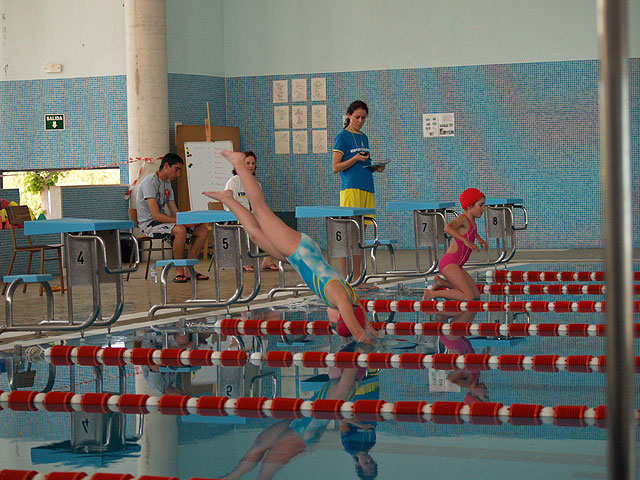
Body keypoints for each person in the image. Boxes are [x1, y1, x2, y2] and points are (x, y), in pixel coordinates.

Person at [203, 150, 378, 344]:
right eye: (335, 324)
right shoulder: (340, 299)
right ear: (341, 316)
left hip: (300, 256)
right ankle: (239, 164)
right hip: (299, 250)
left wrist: (374, 334)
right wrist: (372, 346)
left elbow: (364, 324)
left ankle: (228, 199)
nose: (331, 324)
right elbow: (359, 333)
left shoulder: (351, 298)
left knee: (255, 234)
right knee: (260, 210)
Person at [221, 344, 370, 480]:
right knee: (259, 445)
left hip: (305, 432)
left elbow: (351, 368)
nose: (330, 366)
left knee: (267, 467)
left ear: (344, 370)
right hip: (299, 422)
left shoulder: (342, 389)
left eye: (334, 364)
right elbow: (337, 412)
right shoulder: (337, 386)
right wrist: (359, 424)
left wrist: (358, 351)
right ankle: (230, 478)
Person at [136, 152, 209, 283]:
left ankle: (189, 268)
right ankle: (179, 270)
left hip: (163, 223)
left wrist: (189, 220)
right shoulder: (149, 183)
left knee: (202, 230)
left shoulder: (167, 184)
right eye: (176, 169)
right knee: (180, 230)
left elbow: (174, 211)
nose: (178, 174)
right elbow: (156, 215)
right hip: (149, 225)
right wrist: (181, 222)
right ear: (166, 166)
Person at [332, 100, 385, 279]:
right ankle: (348, 277)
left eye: (363, 118)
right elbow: (336, 167)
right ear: (349, 115)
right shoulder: (342, 137)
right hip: (351, 189)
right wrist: (355, 158)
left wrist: (375, 168)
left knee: (361, 237)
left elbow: (363, 164)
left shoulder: (364, 137)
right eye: (357, 117)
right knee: (349, 235)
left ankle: (359, 277)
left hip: (367, 188)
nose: (360, 121)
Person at [423, 187, 488, 301]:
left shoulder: (472, 220)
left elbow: (470, 231)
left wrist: (479, 238)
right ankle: (431, 294)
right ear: (469, 206)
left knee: (476, 295)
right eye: (481, 205)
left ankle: (441, 282)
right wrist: (465, 240)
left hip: (458, 265)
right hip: (450, 264)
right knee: (468, 296)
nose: (483, 209)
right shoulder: (463, 219)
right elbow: (448, 228)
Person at [223, 150, 279, 272]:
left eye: (253, 163)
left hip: (252, 217)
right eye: (247, 163)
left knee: (270, 225)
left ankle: (267, 259)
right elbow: (228, 203)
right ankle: (245, 261)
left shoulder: (256, 184)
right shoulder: (233, 182)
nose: (251, 166)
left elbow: (259, 205)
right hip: (235, 218)